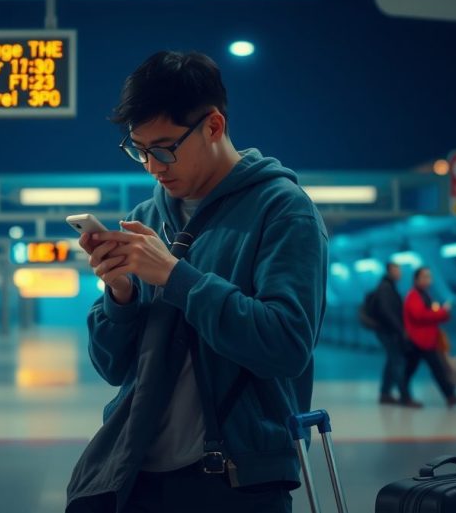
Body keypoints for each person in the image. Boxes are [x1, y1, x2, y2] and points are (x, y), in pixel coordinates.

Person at [66, 51, 329, 513]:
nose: (152, 166)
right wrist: (120, 296)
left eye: (164, 148)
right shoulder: (147, 218)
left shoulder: (282, 210)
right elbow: (112, 368)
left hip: (236, 478)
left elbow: (286, 344)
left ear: (213, 125)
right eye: (139, 150)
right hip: (136, 471)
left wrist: (174, 276)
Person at [403, 267, 456, 408]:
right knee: (411, 370)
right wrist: (441, 312)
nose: (428, 280)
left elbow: (432, 314)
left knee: (436, 369)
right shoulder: (413, 296)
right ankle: (405, 396)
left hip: (427, 340)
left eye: (429, 277)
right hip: (418, 341)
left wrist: (442, 313)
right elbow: (420, 315)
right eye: (424, 277)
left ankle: (450, 396)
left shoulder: (425, 295)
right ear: (416, 279)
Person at [372, 262, 418, 407]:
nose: (400, 273)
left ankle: (385, 393)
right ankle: (406, 396)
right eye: (397, 270)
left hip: (388, 330)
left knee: (392, 360)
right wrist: (400, 329)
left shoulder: (388, 286)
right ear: (389, 271)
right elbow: (387, 312)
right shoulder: (386, 288)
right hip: (388, 330)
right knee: (398, 361)